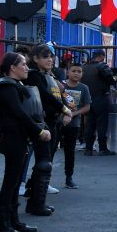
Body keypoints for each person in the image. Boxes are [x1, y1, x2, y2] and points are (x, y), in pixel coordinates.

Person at [0, 53, 49, 232]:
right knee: (11, 181)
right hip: (13, 138)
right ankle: (4, 225)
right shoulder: (5, 86)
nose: (26, 67)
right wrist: (38, 132)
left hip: (20, 137)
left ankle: (14, 221)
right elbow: (19, 113)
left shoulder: (15, 86)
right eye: (22, 64)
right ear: (12, 67)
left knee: (15, 182)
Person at [25, 46, 69, 214]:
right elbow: (45, 95)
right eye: (45, 57)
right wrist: (64, 109)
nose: (50, 60)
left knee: (46, 160)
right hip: (43, 122)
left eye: (51, 57)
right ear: (35, 58)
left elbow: (59, 93)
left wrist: (64, 108)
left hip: (53, 120)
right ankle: (36, 202)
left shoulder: (48, 75)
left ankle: (36, 199)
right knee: (43, 161)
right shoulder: (34, 75)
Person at [82, 51, 117, 155]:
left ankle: (88, 149)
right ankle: (103, 148)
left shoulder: (85, 67)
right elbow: (111, 79)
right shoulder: (102, 66)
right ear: (102, 56)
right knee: (102, 124)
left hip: (89, 99)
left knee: (90, 124)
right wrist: (115, 78)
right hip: (101, 97)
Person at [61, 63, 89, 188]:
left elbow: (87, 107)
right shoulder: (61, 86)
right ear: (68, 72)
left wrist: (72, 114)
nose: (76, 73)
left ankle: (69, 177)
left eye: (79, 71)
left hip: (73, 124)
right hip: (58, 122)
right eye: (73, 71)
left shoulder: (84, 88)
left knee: (70, 151)